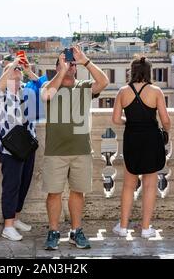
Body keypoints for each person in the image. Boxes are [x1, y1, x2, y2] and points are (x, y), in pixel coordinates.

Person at [40, 46, 109, 250]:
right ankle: (53, 231)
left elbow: (104, 82)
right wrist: (61, 71)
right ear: (58, 66)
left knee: (78, 192)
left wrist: (85, 60)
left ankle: (76, 231)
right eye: (65, 62)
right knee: (53, 193)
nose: (70, 66)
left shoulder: (84, 87)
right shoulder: (51, 86)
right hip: (55, 151)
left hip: (81, 151)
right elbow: (45, 96)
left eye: (72, 64)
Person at [111, 57, 170, 239]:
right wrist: (165, 130)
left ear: (132, 71)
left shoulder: (123, 91)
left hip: (132, 138)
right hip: (151, 138)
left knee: (129, 185)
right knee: (150, 185)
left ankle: (122, 227)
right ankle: (145, 228)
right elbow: (166, 120)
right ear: (148, 71)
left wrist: (131, 121)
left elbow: (115, 119)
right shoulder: (156, 91)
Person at [0, 54, 41, 241]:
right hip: (9, 148)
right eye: (14, 71)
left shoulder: (25, 90)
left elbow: (42, 86)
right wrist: (11, 65)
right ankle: (8, 226)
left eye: (19, 71)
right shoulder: (1, 94)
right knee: (11, 186)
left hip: (27, 145)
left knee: (24, 183)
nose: (17, 72)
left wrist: (28, 71)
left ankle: (16, 217)